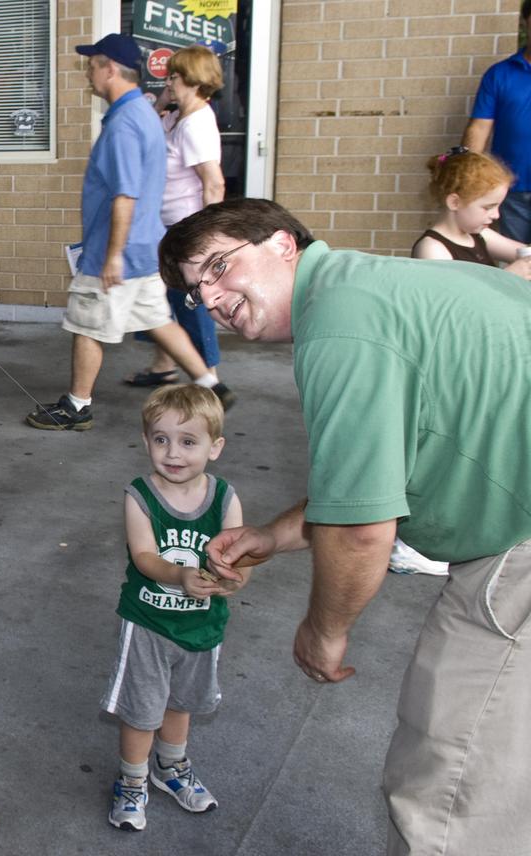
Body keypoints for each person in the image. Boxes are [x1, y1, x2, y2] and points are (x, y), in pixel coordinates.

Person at [157, 196, 531, 856]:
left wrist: (323, 631)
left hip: (517, 547)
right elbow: (373, 473)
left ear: (282, 244)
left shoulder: (339, 325)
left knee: (445, 788)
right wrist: (273, 535)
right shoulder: (369, 286)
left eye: (217, 267)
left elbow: (362, 527)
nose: (209, 298)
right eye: (195, 291)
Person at [26, 34, 233, 431]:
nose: (87, 73)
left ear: (108, 69)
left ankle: (77, 406)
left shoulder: (125, 123)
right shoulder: (144, 114)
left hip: (116, 248)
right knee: (159, 319)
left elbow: (125, 195)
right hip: (147, 246)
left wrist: (112, 255)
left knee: (87, 326)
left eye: (91, 65)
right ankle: (211, 384)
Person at [101, 384, 244, 832]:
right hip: (148, 622)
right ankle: (132, 779)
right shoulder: (139, 494)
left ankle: (171, 767)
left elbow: (240, 558)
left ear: (214, 447)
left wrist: (230, 579)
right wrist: (181, 576)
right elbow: (144, 557)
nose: (173, 452)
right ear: (146, 442)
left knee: (181, 703)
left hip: (202, 627)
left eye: (188, 441)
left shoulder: (224, 498)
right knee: (142, 708)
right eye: (160, 439)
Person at [127, 45, 228, 388]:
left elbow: (213, 184)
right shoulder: (175, 116)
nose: (168, 80)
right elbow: (149, 133)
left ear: (193, 80)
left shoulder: (197, 123)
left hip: (186, 228)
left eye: (174, 75)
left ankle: (208, 378)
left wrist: (206, 237)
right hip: (163, 227)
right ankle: (163, 365)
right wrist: (158, 103)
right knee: (158, 298)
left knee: (190, 302)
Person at [461, 0, 531, 244]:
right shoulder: (500, 74)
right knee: (519, 256)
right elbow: (479, 127)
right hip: (514, 191)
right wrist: (465, 176)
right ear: (526, 21)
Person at [411, 147, 531, 279]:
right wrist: (507, 277)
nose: (496, 215)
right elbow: (454, 297)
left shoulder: (478, 235)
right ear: (454, 203)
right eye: (488, 207)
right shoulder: (432, 249)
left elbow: (524, 252)